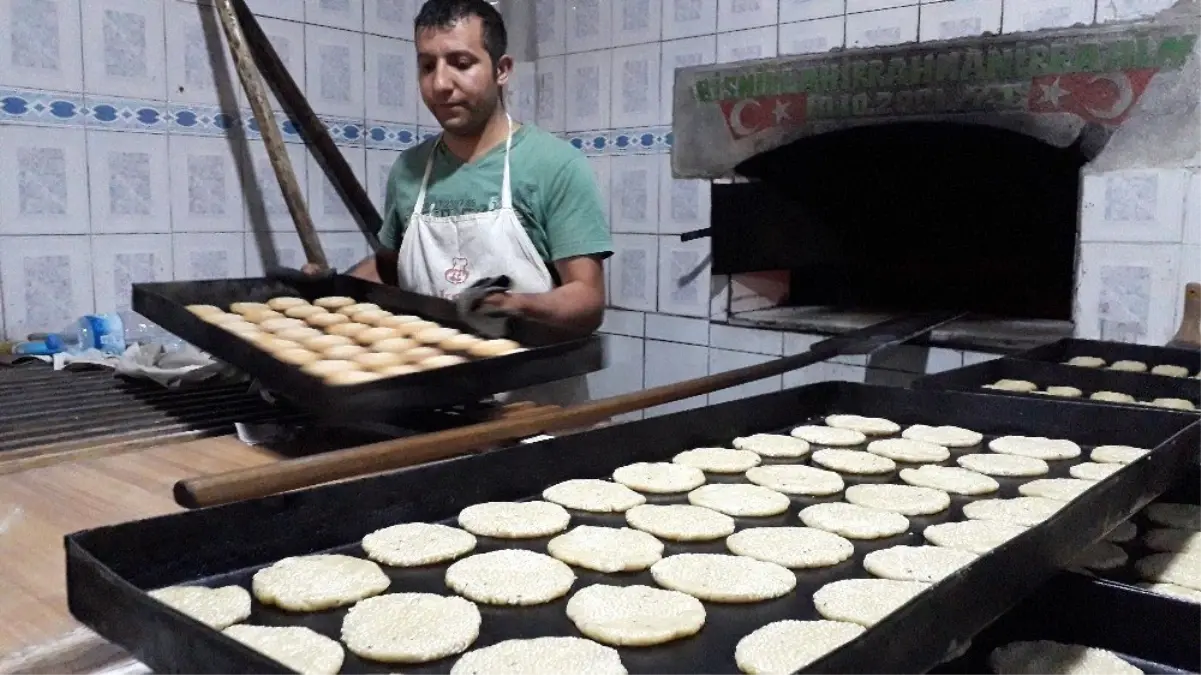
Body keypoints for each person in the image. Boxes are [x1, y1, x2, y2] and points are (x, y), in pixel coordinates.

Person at [330, 0, 611, 405]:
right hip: (430, 406)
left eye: (461, 63)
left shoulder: (553, 165)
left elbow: (586, 298)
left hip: (531, 411)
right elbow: (390, 268)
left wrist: (518, 306)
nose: (440, 84)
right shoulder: (410, 169)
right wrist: (331, 289)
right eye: (427, 66)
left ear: (502, 70)